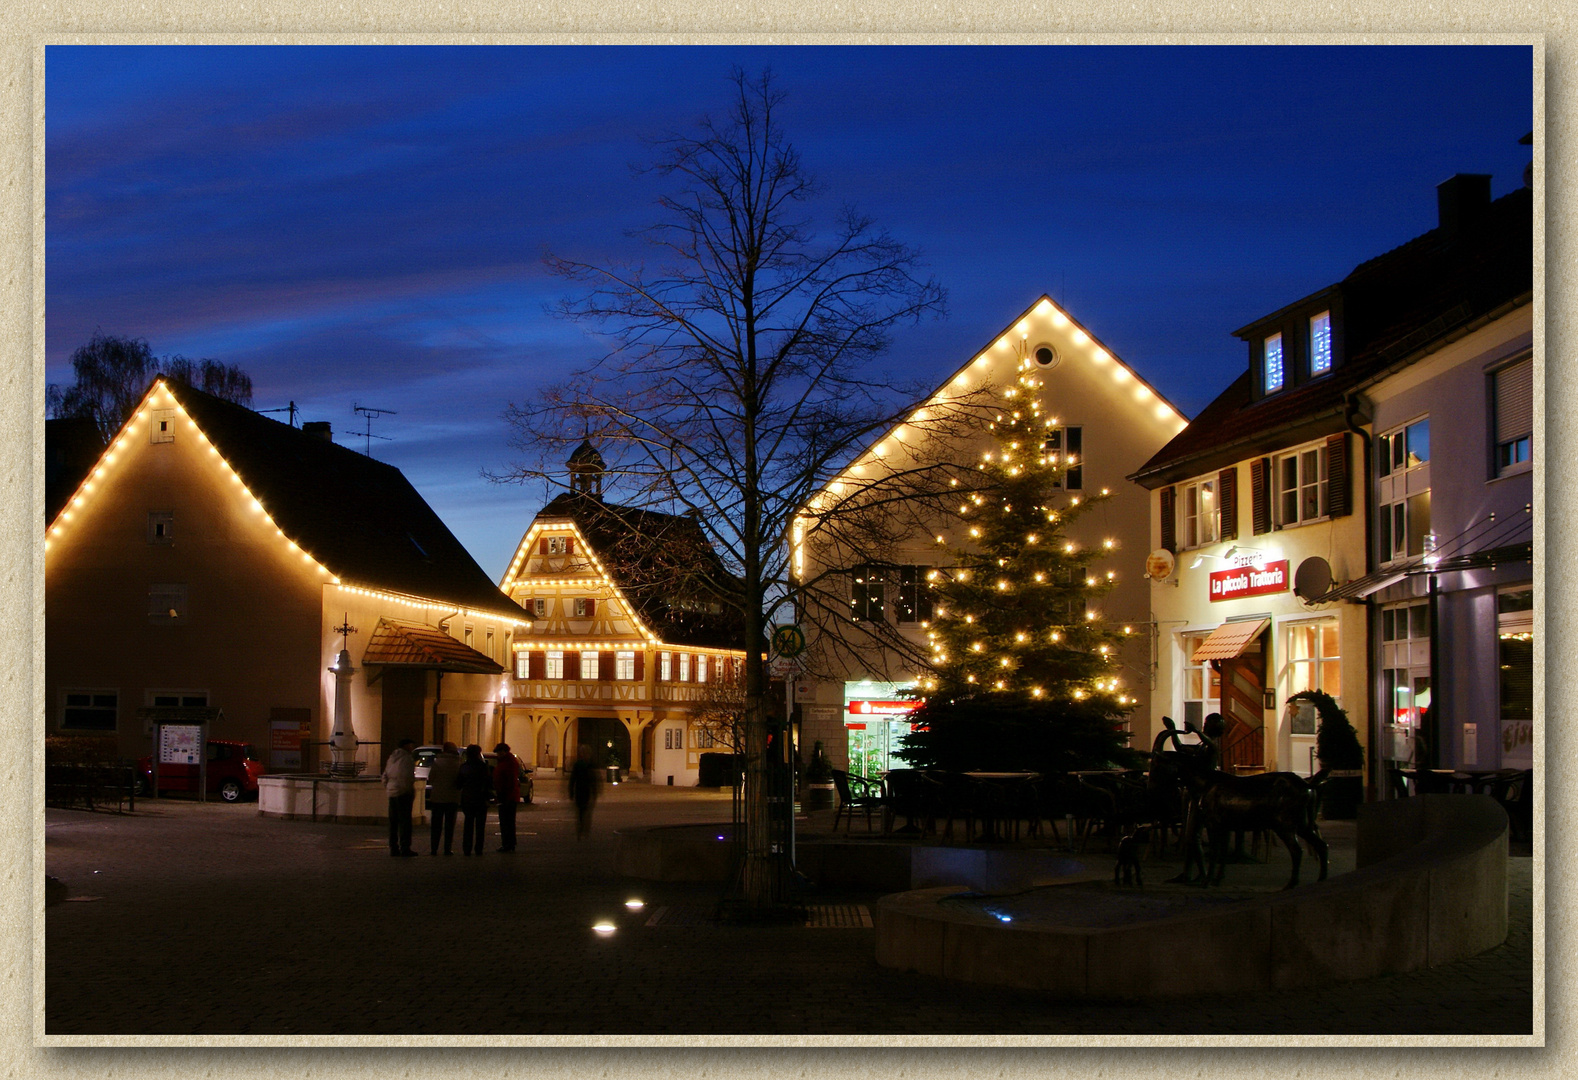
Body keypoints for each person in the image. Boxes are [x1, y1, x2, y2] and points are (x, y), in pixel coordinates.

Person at [381, 739, 417, 857]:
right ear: (406, 746)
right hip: (403, 793)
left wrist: (389, 788)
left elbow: (385, 775)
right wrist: (408, 790)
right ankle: (405, 847)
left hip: (392, 792)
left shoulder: (392, 758)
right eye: (411, 745)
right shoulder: (407, 758)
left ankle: (393, 847)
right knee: (405, 822)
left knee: (393, 822)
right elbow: (406, 777)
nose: (412, 747)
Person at [426, 741, 462, 855]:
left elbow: (430, 778)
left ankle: (434, 848)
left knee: (436, 825)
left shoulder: (437, 762)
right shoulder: (459, 763)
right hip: (453, 797)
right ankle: (447, 848)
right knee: (449, 825)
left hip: (437, 797)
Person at [457, 744, 492, 855]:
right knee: (480, 826)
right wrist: (488, 798)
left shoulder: (464, 767)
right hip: (480, 799)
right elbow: (487, 784)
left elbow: (459, 784)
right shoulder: (483, 767)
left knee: (468, 824)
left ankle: (467, 848)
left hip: (467, 798)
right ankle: (479, 848)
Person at [493, 742, 522, 852]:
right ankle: (508, 843)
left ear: (504, 752)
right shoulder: (506, 762)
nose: (498, 755)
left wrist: (502, 794)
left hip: (507, 796)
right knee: (507, 821)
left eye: (499, 752)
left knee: (507, 822)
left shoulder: (508, 763)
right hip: (507, 795)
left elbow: (508, 781)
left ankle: (508, 844)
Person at [567, 743, 600, 840]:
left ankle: (582, 830)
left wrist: (571, 791)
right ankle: (583, 830)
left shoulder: (582, 764)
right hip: (582, 791)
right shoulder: (586, 764)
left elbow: (573, 779)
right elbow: (574, 779)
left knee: (583, 812)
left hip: (583, 791)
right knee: (584, 812)